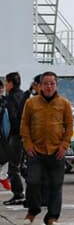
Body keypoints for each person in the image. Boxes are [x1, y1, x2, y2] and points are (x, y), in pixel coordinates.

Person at [19, 71, 74, 225]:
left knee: (56, 185)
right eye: (46, 83)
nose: (49, 86)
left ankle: (52, 217)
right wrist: (27, 144)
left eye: (52, 83)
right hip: (35, 151)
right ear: (40, 86)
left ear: (56, 85)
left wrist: (64, 145)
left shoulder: (64, 104)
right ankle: (33, 209)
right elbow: (25, 125)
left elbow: (69, 126)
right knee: (33, 182)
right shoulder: (31, 103)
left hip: (57, 151)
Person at [2, 72, 28, 206]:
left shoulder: (10, 98)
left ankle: (18, 194)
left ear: (11, 83)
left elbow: (11, 118)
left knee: (13, 167)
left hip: (16, 136)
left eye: (6, 82)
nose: (5, 85)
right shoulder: (23, 96)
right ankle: (36, 191)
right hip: (25, 136)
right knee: (23, 166)